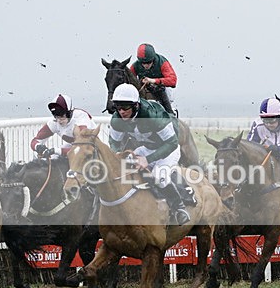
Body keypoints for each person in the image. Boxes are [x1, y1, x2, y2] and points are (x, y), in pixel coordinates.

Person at [108, 83, 194, 225]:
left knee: (160, 177)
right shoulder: (117, 119)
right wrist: (118, 154)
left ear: (136, 105)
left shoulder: (153, 115)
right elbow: (114, 143)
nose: (121, 111)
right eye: (118, 107)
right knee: (123, 171)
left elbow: (172, 143)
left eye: (125, 107)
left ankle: (179, 208)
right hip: (145, 149)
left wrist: (148, 159)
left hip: (168, 150)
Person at [30, 94, 96, 158]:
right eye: (56, 117)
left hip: (92, 148)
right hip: (73, 146)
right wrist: (38, 146)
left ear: (69, 113)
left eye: (62, 117)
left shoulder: (80, 118)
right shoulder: (54, 122)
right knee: (49, 158)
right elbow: (36, 140)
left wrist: (55, 151)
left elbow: (83, 148)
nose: (59, 121)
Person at [129, 43, 177, 115]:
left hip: (162, 89)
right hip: (144, 90)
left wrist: (153, 81)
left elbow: (173, 80)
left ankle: (171, 115)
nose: (145, 65)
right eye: (143, 63)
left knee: (162, 91)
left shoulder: (162, 62)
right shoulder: (135, 65)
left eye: (148, 62)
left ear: (153, 59)